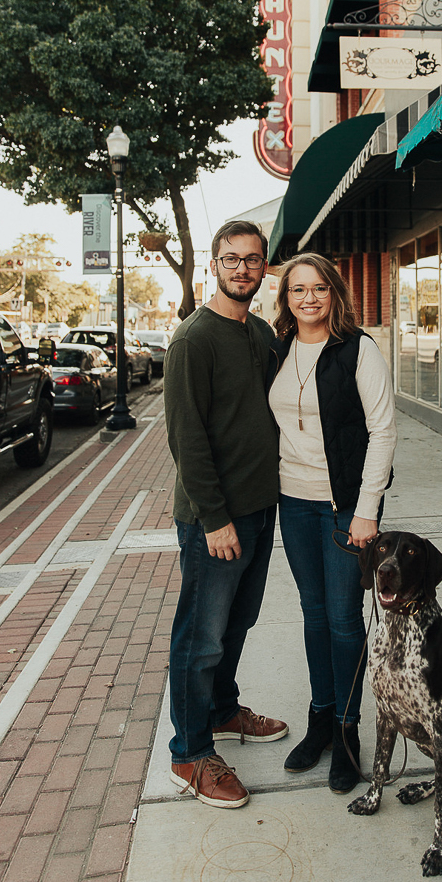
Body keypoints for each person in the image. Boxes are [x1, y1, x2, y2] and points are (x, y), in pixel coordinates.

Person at [164, 220, 288, 809]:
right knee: (201, 637)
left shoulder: (261, 334)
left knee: (237, 625)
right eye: (232, 259)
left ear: (266, 268)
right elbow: (187, 440)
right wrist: (215, 519)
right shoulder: (194, 339)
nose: (243, 268)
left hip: (260, 509)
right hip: (215, 519)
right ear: (213, 264)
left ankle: (220, 711)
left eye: (254, 260)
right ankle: (189, 754)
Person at [268, 252, 396, 794]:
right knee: (313, 612)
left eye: (319, 288)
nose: (309, 298)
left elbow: (383, 432)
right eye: (298, 290)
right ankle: (320, 717)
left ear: (334, 294)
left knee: (344, 619)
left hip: (346, 506)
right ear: (286, 298)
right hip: (292, 501)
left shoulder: (357, 350)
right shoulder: (275, 349)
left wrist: (367, 509)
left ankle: (347, 730)